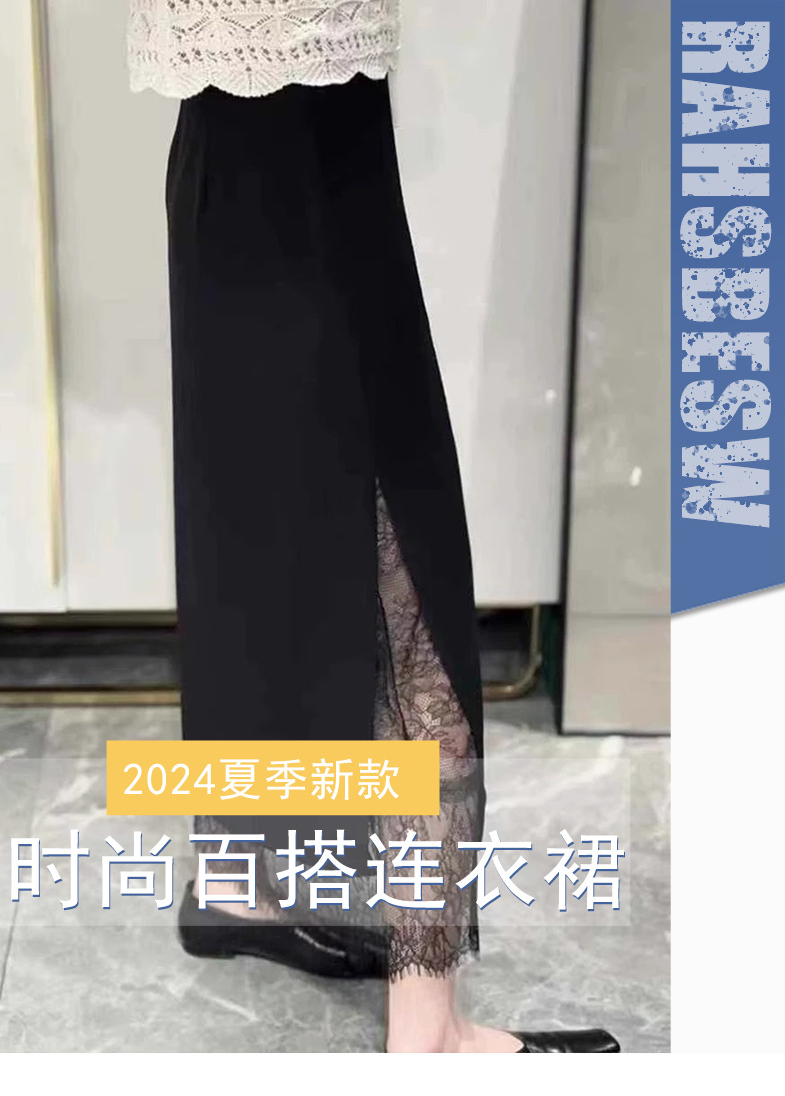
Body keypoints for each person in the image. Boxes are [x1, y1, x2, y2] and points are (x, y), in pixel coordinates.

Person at [127, 0, 620, 1054]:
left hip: (224, 155)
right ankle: (429, 1029)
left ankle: (239, 879)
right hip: (307, 148)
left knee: (246, 544)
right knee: (407, 586)